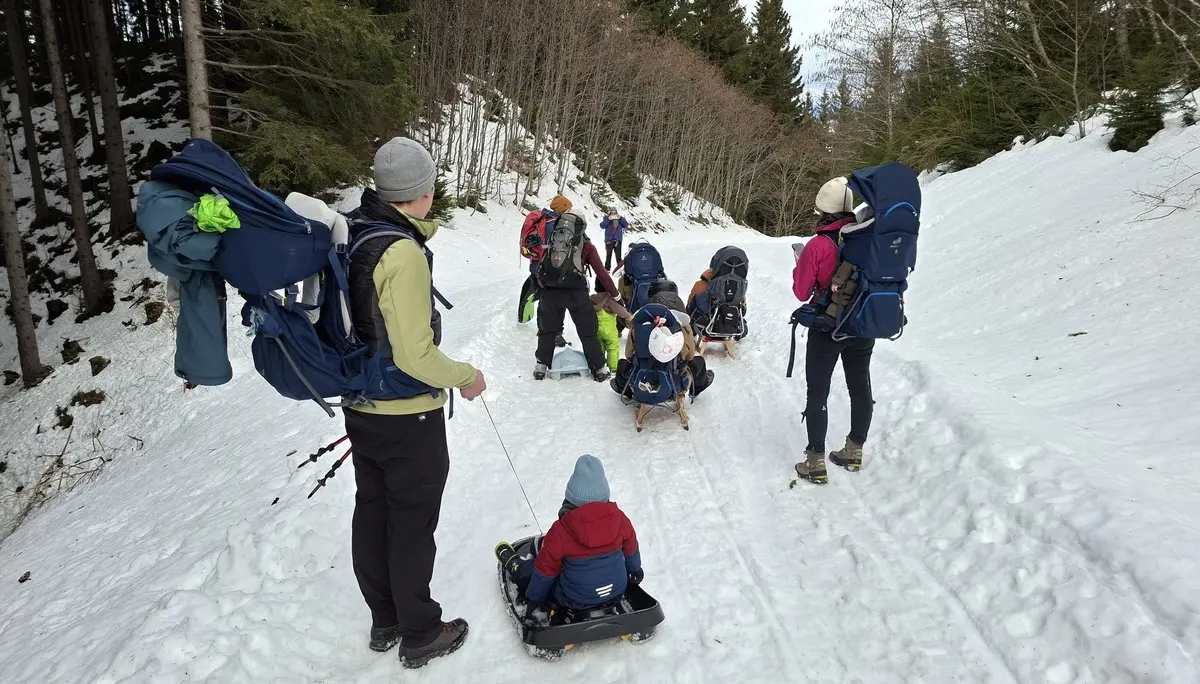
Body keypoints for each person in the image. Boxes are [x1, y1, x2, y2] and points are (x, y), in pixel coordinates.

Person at [343, 137, 487, 669]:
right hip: (407, 414)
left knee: (373, 512)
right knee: (410, 523)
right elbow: (414, 356)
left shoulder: (358, 231)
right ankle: (421, 631)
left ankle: (385, 619)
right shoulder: (401, 252)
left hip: (360, 405)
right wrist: (466, 376)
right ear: (420, 193)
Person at [792, 176, 872, 485]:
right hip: (863, 324)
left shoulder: (817, 246)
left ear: (822, 210)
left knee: (818, 391)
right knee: (860, 385)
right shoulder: (866, 237)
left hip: (828, 327)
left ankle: (815, 462)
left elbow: (801, 292)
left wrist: (800, 266)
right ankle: (853, 451)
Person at [495, 455, 643, 612]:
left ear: (571, 499)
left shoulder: (560, 531)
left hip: (573, 600)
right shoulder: (621, 519)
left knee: (540, 567)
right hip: (616, 591)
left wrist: (535, 599)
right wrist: (635, 570)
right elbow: (631, 549)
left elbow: (545, 572)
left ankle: (518, 568)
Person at [534, 206, 620, 382]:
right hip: (576, 292)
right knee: (588, 331)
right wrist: (615, 294)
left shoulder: (554, 239)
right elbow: (601, 273)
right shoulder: (586, 245)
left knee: (547, 330)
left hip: (550, 291)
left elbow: (541, 264)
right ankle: (600, 368)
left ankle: (541, 366)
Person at [612, 289, 714, 399]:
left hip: (642, 378)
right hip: (675, 384)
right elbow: (690, 356)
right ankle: (695, 391)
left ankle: (628, 392)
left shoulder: (639, 327)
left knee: (622, 364)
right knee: (699, 362)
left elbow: (628, 355)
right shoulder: (684, 327)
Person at [592, 282, 633, 373]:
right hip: (609, 331)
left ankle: (600, 366)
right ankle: (613, 367)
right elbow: (621, 312)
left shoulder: (592, 299)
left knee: (600, 347)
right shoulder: (609, 301)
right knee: (612, 348)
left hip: (596, 329)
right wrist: (628, 316)